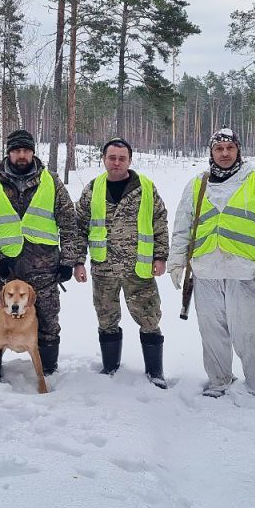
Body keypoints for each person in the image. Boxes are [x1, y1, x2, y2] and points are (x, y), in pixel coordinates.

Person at [167, 127, 255, 399]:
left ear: (238, 151)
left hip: (243, 273)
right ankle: (219, 381)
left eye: (229, 148)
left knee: (252, 332)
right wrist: (176, 263)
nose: (224, 153)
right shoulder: (197, 185)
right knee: (212, 333)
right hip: (205, 271)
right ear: (211, 152)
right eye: (218, 149)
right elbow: (182, 227)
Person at [0, 128, 80, 379]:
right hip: (4, 269)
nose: (22, 155)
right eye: (16, 150)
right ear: (9, 152)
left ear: (32, 152)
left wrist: (67, 261)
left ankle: (48, 371)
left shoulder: (51, 181)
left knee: (49, 320)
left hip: (44, 268)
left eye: (26, 150)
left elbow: (69, 222)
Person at [73, 138, 170, 388]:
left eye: (121, 158)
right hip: (104, 268)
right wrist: (77, 262)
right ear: (103, 159)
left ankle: (155, 372)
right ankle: (110, 368)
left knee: (149, 319)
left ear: (129, 160)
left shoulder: (146, 188)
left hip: (140, 268)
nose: (116, 162)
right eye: (112, 157)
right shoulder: (92, 189)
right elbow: (78, 227)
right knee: (106, 319)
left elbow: (160, 223)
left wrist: (160, 257)